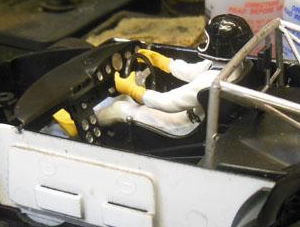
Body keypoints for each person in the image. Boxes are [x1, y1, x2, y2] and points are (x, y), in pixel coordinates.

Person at [53, 14, 254, 138]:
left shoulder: (211, 82)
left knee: (121, 107)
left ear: (218, 46)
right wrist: (163, 62)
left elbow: (168, 102)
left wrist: (133, 90)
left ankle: (77, 126)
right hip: (202, 117)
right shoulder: (234, 66)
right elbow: (193, 71)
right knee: (127, 97)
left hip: (184, 124)